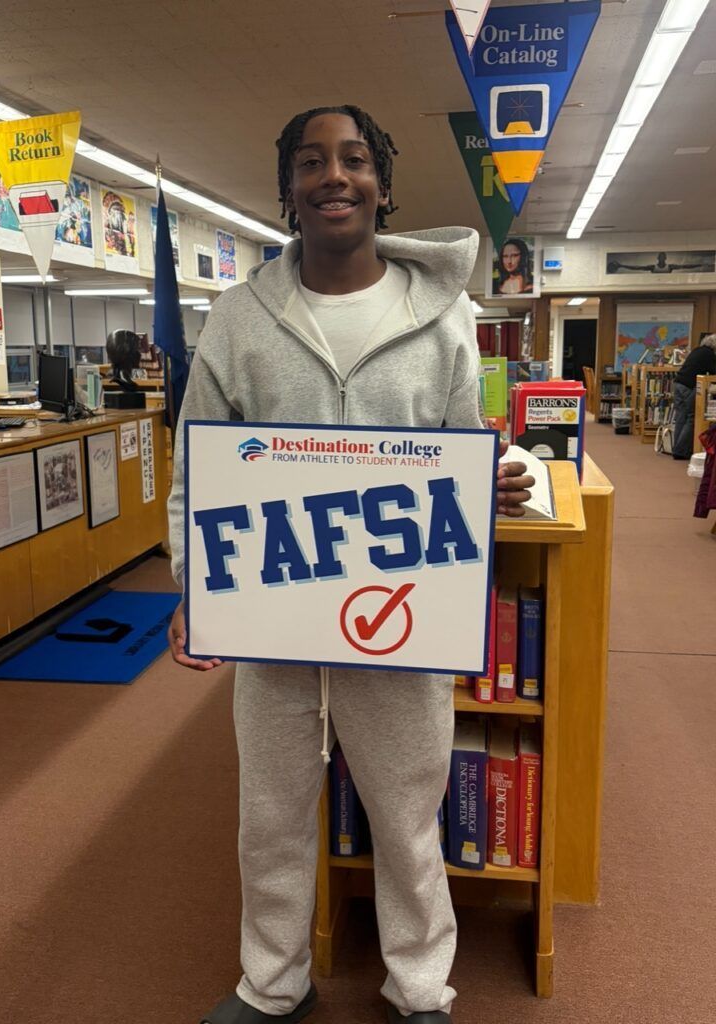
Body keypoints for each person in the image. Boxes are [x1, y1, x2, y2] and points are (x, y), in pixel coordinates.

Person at [166, 105, 534, 1024]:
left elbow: (459, 449)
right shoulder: (238, 319)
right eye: (311, 161)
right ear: (287, 189)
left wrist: (486, 485)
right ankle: (272, 985)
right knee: (271, 817)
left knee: (408, 818)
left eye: (356, 159)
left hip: (399, 620)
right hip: (275, 619)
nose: (334, 175)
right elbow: (195, 468)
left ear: (383, 185)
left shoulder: (444, 318)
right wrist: (193, 583)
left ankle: (420, 988)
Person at [672, 333, 716, 459]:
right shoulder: (709, 354)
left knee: (681, 417)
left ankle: (677, 448)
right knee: (692, 417)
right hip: (689, 386)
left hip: (678, 383)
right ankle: (681, 450)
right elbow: (714, 371)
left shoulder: (697, 350)